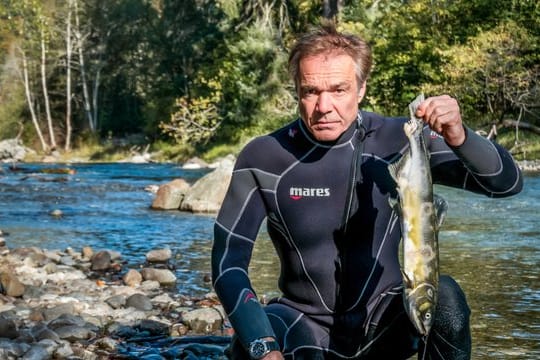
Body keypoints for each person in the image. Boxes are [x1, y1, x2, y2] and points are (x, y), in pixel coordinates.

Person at [211, 24, 523, 360]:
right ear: (297, 90)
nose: (324, 106)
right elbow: (228, 264)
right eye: (311, 91)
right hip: (301, 325)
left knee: (444, 301)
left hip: (385, 323)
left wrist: (460, 136)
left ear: (361, 89)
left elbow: (506, 184)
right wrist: (263, 347)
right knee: (248, 343)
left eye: (339, 90)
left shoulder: (399, 140)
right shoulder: (265, 156)